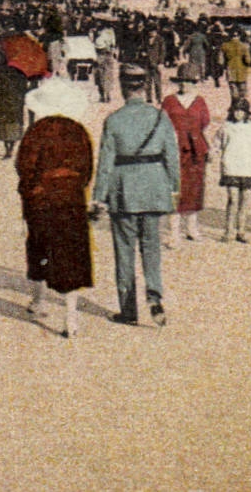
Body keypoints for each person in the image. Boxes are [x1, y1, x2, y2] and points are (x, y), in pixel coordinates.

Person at [92, 65, 179, 327]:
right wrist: (173, 187)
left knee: (124, 250)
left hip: (124, 190)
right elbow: (171, 156)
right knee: (151, 247)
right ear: (144, 87)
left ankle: (128, 309)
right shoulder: (160, 118)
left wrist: (98, 197)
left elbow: (105, 163)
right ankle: (154, 296)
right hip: (154, 187)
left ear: (122, 87)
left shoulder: (114, 120)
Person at [16, 102, 95, 338]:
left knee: (39, 248)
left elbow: (24, 166)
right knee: (70, 256)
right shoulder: (78, 131)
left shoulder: (37, 131)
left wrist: (28, 193)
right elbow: (87, 169)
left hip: (41, 201)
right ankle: (70, 317)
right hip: (70, 200)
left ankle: (39, 301)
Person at [161, 72, 211, 245]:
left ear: (194, 83)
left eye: (189, 81)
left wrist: (208, 148)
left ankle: (192, 228)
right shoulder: (169, 101)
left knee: (194, 188)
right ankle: (174, 232)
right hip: (174, 147)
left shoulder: (200, 101)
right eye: (182, 81)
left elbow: (205, 124)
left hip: (196, 149)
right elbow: (162, 124)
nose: (185, 85)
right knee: (175, 188)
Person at [216, 98, 251, 243]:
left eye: (241, 111)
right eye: (236, 110)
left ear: (246, 113)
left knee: (245, 202)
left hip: (249, 168)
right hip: (231, 167)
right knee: (233, 199)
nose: (238, 114)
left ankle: (241, 231)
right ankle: (228, 231)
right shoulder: (225, 127)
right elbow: (217, 144)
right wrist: (213, 155)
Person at [0, 44, 29, 159]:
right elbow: (23, 87)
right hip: (15, 101)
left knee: (4, 125)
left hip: (2, 100)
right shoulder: (20, 72)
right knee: (13, 123)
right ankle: (10, 147)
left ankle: (7, 148)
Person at [221, 28, 251, 104]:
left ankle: (234, 108)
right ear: (239, 35)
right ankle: (241, 109)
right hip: (242, 71)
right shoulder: (244, 46)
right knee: (242, 93)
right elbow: (248, 61)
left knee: (233, 92)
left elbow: (220, 61)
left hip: (231, 70)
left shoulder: (225, 46)